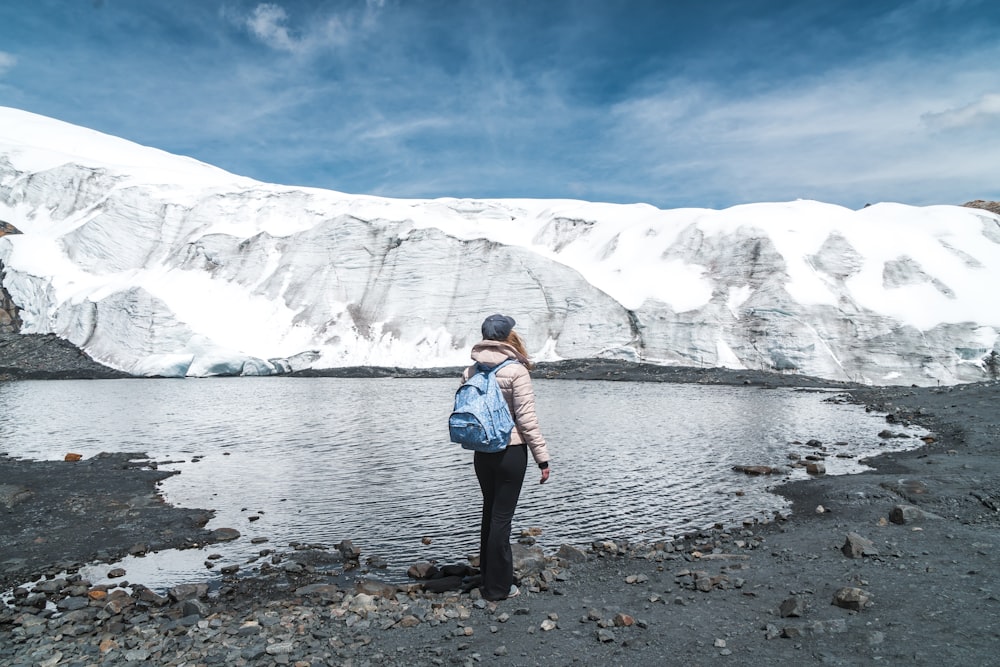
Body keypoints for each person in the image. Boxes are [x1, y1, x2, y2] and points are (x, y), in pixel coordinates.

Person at [463, 313, 551, 601]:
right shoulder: (516, 371)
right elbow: (526, 421)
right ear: (509, 337)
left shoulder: (471, 371)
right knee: (502, 518)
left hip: (482, 451)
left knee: (489, 514)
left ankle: (488, 578)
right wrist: (543, 458)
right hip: (511, 452)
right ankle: (499, 588)